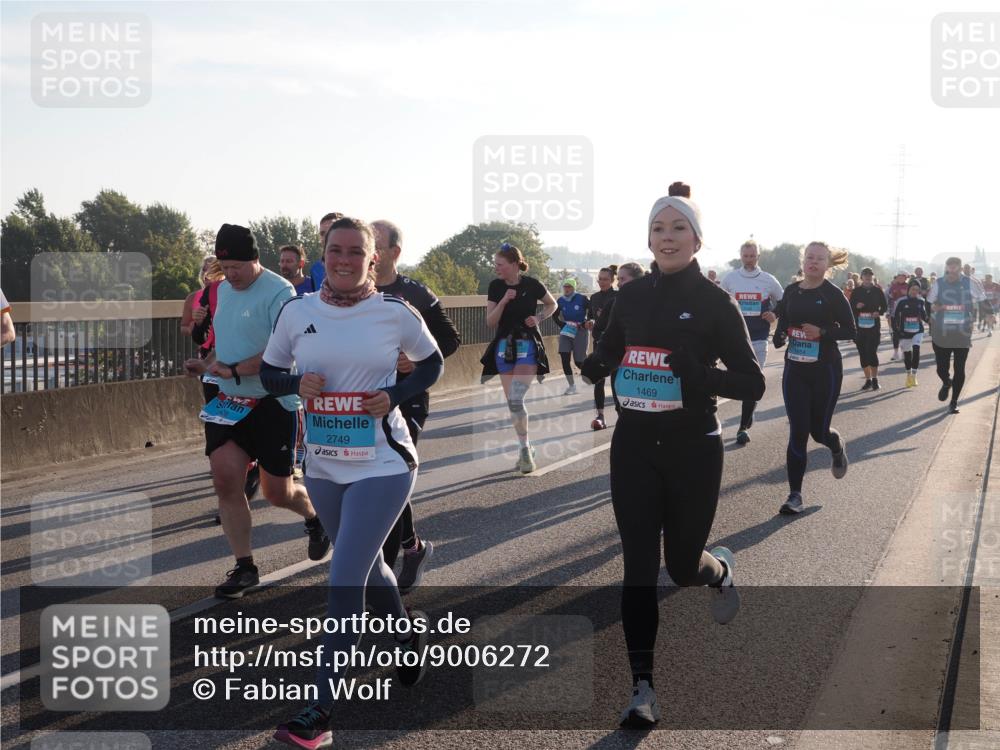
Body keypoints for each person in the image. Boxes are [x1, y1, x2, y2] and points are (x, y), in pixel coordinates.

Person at [581, 182, 765, 728]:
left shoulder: (715, 302)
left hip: (693, 447)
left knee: (682, 568)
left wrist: (701, 374)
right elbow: (612, 347)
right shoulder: (631, 296)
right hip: (634, 444)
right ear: (648, 239)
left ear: (697, 239)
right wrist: (597, 364)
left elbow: (752, 383)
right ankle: (643, 687)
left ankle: (718, 570)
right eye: (658, 228)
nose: (667, 237)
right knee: (638, 567)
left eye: (678, 227)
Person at [261, 216, 443, 749]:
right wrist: (296, 383)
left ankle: (318, 712)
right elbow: (270, 374)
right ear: (324, 255)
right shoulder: (297, 312)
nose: (344, 260)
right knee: (368, 566)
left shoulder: (394, 312)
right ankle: (407, 642)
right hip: (323, 466)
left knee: (344, 579)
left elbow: (432, 364)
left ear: (374, 259)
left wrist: (396, 394)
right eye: (335, 250)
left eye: (355, 252)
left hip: (383, 465)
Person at [183, 223, 329, 599]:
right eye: (225, 268)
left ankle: (315, 518)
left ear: (255, 259)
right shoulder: (222, 291)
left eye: (237, 267)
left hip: (272, 403)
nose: (231, 275)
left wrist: (234, 369)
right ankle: (245, 567)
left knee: (277, 492)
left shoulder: (280, 292)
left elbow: (283, 352)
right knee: (224, 478)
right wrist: (208, 363)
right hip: (230, 403)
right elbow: (226, 343)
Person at [372, 219, 461, 591]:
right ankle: (412, 548)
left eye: (377, 245)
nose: (370, 253)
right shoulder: (350, 293)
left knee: (389, 474)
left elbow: (450, 340)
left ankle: (382, 578)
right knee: (372, 479)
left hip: (407, 397)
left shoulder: (415, 293)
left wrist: (415, 358)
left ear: (394, 252)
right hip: (362, 399)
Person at [772, 241, 856, 515]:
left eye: (819, 258)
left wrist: (822, 331)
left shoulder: (832, 294)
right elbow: (783, 325)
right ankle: (795, 495)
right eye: (810, 257)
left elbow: (850, 330)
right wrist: (780, 335)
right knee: (798, 430)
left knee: (818, 432)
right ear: (803, 260)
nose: (813, 262)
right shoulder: (792, 291)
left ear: (827, 264)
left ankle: (835, 444)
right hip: (795, 370)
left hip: (825, 370)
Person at [481, 243, 558, 474]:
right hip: (504, 346)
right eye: (495, 264)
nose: (496, 268)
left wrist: (539, 317)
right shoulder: (495, 286)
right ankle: (525, 445)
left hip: (527, 344)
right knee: (512, 402)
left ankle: (524, 450)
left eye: (500, 264)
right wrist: (503, 301)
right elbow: (490, 322)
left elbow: (552, 304)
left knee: (516, 397)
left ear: (514, 264)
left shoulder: (532, 284)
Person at [719, 239, 784, 444]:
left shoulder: (768, 280)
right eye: (745, 256)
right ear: (741, 256)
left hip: (758, 338)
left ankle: (743, 427)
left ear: (758, 256)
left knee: (753, 382)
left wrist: (774, 314)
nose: (749, 259)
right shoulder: (730, 279)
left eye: (752, 256)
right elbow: (717, 303)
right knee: (734, 382)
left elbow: (784, 301)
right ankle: (745, 415)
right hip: (734, 340)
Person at [928, 257, 996, 414]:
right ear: (946, 268)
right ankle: (947, 382)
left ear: (960, 269)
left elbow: (982, 299)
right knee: (941, 368)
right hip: (942, 332)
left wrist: (990, 314)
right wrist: (932, 309)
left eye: (955, 269)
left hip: (962, 331)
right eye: (949, 268)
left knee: (959, 367)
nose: (952, 272)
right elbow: (929, 302)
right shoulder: (938, 283)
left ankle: (954, 402)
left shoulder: (971, 283)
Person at [585, 266, 618, 430]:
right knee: (598, 380)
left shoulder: (618, 296)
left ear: (612, 280)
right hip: (599, 343)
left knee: (616, 381)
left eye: (605, 279)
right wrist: (590, 322)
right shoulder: (594, 297)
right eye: (600, 279)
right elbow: (590, 316)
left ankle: (621, 414)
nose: (602, 282)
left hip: (616, 345)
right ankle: (600, 416)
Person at [851, 267, 887, 391]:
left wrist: (879, 312)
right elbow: (850, 307)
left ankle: (875, 379)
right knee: (862, 353)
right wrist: (856, 306)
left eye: (869, 275)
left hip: (873, 326)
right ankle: (868, 380)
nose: (867, 277)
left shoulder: (877, 291)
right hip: (860, 327)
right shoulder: (856, 291)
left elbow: (884, 306)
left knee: (871, 352)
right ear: (861, 277)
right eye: (865, 275)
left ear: (872, 277)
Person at [553, 278, 591, 396]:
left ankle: (594, 376)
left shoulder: (582, 298)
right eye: (565, 287)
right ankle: (571, 386)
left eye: (569, 287)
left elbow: (592, 310)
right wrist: (562, 324)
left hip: (580, 331)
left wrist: (587, 322)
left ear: (574, 288)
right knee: (564, 358)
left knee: (579, 362)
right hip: (566, 331)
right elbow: (554, 315)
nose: (567, 289)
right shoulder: (561, 300)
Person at [893, 279, 930, 387]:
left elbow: (924, 315)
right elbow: (894, 317)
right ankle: (908, 375)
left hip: (918, 331)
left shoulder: (921, 301)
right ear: (908, 289)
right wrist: (896, 331)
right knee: (907, 355)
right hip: (905, 332)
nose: (915, 292)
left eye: (917, 290)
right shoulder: (901, 301)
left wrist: (930, 321)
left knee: (916, 350)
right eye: (913, 289)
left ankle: (914, 375)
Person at [180, 256, 224, 338]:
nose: (206, 274)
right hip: (203, 345)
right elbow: (183, 327)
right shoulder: (192, 298)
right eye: (204, 270)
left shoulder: (229, 294)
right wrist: (192, 329)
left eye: (212, 270)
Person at [308, 212, 344, 290]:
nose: (326, 237)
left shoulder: (357, 264)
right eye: (322, 233)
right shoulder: (315, 269)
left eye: (330, 232)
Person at [886, 271, 910, 360]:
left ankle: (904, 351)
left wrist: (907, 294)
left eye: (902, 277)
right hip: (894, 313)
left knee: (904, 332)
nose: (900, 278)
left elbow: (913, 298)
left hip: (905, 313)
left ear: (905, 278)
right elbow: (888, 299)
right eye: (898, 277)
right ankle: (896, 353)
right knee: (895, 333)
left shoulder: (909, 286)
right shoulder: (892, 287)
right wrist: (888, 312)